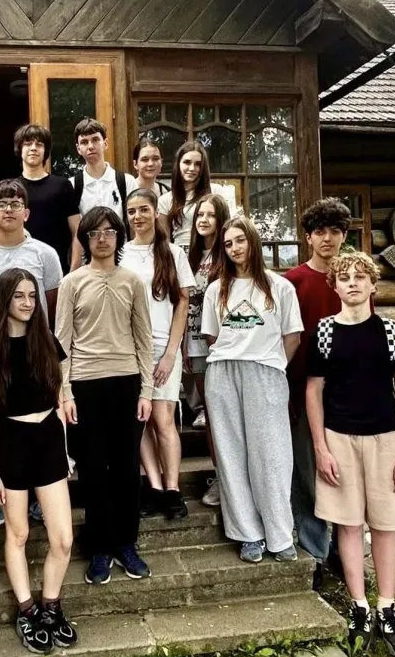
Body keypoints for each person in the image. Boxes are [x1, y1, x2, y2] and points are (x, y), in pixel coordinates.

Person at [306, 252, 395, 656]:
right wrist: (321, 448)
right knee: (348, 525)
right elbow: (313, 392)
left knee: (385, 526)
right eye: (345, 277)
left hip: (385, 438)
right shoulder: (324, 332)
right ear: (334, 286)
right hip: (339, 439)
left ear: (373, 285)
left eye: (360, 277)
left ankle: (387, 605)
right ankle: (359, 606)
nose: (352, 283)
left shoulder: (390, 331)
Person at [0, 269, 77, 654]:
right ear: (5, 300)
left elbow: (59, 399)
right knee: (17, 534)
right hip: (12, 444)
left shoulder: (47, 342)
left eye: (32, 296)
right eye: (19, 296)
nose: (27, 303)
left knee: (63, 538)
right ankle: (27, 610)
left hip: (48, 439)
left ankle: (51, 606)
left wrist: (65, 451)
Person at [0, 179, 64, 538]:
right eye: (1, 204)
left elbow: (50, 300)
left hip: (35, 354)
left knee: (39, 427)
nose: (8, 210)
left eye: (15, 204)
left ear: (26, 212)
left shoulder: (44, 254)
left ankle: (37, 501)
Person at [55, 207, 154, 584]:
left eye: (109, 231)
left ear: (119, 236)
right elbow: (61, 342)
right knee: (94, 469)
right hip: (84, 384)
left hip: (127, 382)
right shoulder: (72, 283)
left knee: (127, 468)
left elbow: (144, 339)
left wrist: (147, 391)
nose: (101, 238)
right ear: (84, 239)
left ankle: (126, 544)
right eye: (94, 233)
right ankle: (99, 548)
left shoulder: (132, 281)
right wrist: (65, 393)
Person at [201, 215, 303, 562]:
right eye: (228, 244)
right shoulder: (217, 289)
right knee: (232, 454)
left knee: (272, 455)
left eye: (240, 240)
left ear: (253, 241)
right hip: (224, 372)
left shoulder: (280, 286)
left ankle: (279, 534)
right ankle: (248, 534)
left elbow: (292, 336)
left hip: (266, 372)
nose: (234, 248)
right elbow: (213, 336)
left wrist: (272, 365)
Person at [285, 198, 352, 575]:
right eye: (320, 232)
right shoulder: (293, 281)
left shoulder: (354, 279)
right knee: (308, 471)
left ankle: (345, 547)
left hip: (347, 392)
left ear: (344, 236)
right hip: (301, 389)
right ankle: (315, 550)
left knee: (344, 472)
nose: (327, 238)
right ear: (308, 237)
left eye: (335, 231)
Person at [121, 189, 194, 520]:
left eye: (143, 210)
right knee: (140, 419)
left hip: (163, 345)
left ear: (155, 212)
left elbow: (182, 304)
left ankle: (173, 488)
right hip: (129, 349)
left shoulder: (173, 253)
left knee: (163, 419)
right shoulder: (121, 253)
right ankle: (153, 485)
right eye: (131, 211)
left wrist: (170, 354)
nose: (137, 216)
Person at [186, 193, 232, 505]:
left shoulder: (227, 254)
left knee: (224, 414)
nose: (204, 220)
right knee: (213, 416)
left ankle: (231, 478)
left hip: (225, 346)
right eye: (200, 215)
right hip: (196, 345)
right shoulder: (187, 257)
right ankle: (220, 476)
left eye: (211, 215)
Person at [16, 123, 81, 273]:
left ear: (45, 151)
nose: (33, 148)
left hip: (59, 269)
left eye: (39, 144)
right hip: (20, 269)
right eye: (28, 144)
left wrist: (74, 271)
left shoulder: (62, 185)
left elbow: (77, 230)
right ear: (20, 149)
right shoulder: (12, 188)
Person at [71, 118, 138, 221]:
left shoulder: (127, 182)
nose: (90, 146)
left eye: (95, 140)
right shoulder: (72, 186)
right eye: (84, 142)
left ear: (105, 143)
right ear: (78, 148)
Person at [158, 141, 212, 249]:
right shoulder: (165, 199)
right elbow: (165, 241)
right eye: (187, 162)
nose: (192, 168)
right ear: (178, 164)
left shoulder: (215, 192)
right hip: (179, 252)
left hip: (209, 251)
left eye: (198, 164)